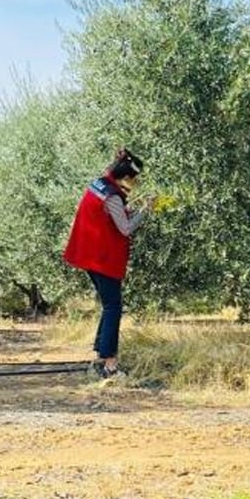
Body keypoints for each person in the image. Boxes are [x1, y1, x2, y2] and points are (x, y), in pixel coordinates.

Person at [62, 148, 154, 378]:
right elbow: (125, 228)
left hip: (87, 254)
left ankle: (101, 357)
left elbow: (108, 172)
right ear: (125, 178)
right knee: (114, 307)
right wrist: (146, 210)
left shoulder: (99, 184)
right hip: (103, 257)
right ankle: (110, 365)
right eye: (135, 179)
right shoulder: (112, 196)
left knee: (108, 305)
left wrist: (118, 160)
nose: (136, 183)